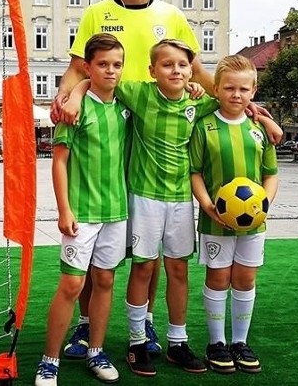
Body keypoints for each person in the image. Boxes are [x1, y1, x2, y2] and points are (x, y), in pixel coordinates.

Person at [51, 0, 282, 360]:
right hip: (112, 129)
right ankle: (85, 327)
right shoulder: (96, 14)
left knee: (151, 257)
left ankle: (148, 326)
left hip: (160, 133)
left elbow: (197, 68)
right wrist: (72, 94)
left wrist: (239, 102)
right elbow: (80, 66)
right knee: (103, 244)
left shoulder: (171, 16)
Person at [65, 39, 223, 376]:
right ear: (152, 71)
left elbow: (232, 101)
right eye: (167, 65)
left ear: (191, 70)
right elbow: (94, 77)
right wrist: (76, 94)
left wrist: (263, 118)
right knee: (144, 269)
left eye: (183, 65)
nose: (176, 70)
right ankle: (137, 342)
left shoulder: (200, 103)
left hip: (181, 200)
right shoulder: (138, 94)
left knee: (178, 270)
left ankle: (177, 343)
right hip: (143, 197)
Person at [34, 34, 130, 386]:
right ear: (88, 67)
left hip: (116, 212)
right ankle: (49, 360)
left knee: (104, 279)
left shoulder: (126, 106)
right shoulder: (73, 110)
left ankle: (96, 351)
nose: (111, 70)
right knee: (73, 284)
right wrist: (64, 210)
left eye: (117, 64)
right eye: (102, 64)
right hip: (82, 213)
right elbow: (59, 163)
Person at [189, 54, 279, 374]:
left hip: (254, 222)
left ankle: (239, 341)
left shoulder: (258, 128)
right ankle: (216, 343)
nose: (236, 95)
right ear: (217, 88)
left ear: (253, 90)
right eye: (229, 88)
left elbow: (270, 173)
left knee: (245, 278)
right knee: (218, 277)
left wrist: (264, 204)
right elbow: (196, 172)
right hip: (216, 220)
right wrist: (207, 204)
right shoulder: (205, 127)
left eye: (243, 89)